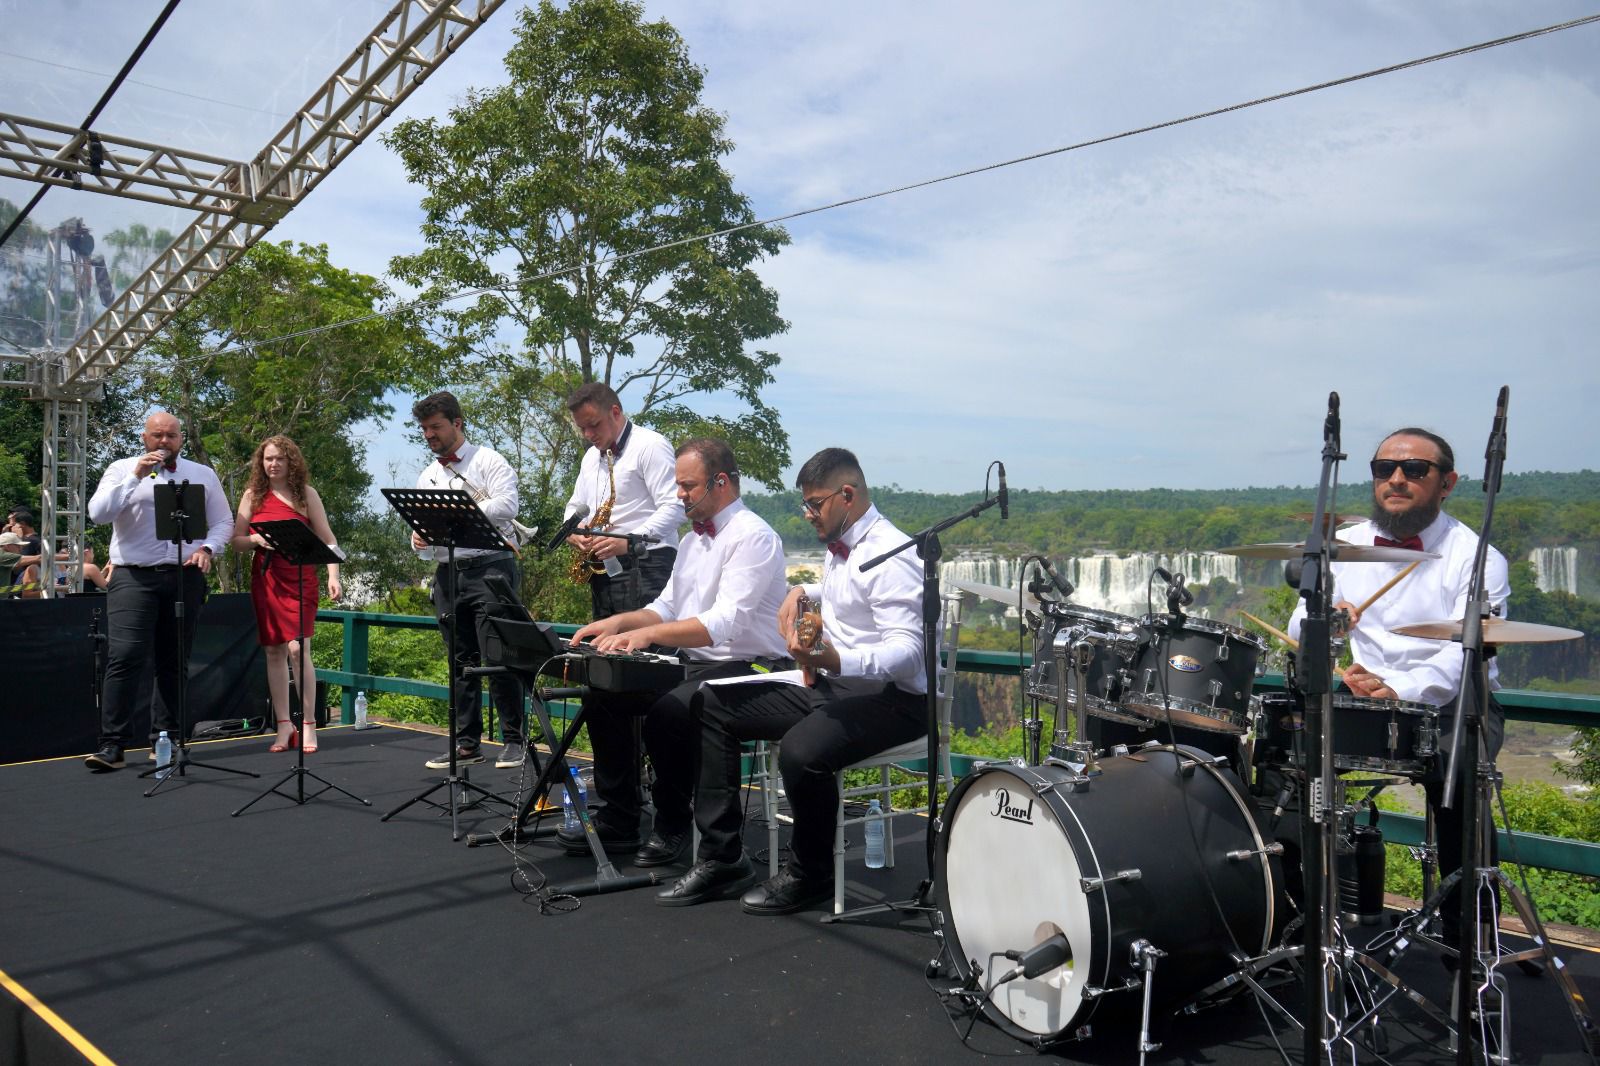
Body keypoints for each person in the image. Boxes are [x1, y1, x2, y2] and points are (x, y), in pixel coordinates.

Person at [657, 447, 926, 914]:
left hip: (894, 700)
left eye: (814, 503)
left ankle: (811, 873)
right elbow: (848, 596)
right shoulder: (843, 546)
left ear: (847, 495)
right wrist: (805, 589)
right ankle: (723, 858)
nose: (806, 514)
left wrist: (833, 658)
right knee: (712, 703)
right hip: (834, 686)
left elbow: (908, 653)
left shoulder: (891, 553)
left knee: (803, 749)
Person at [1288, 426, 1510, 954]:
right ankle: (1295, 918)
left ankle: (1471, 943)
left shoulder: (1477, 558)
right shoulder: (1343, 549)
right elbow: (1299, 627)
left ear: (1447, 482)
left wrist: (1395, 686)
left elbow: (1462, 660)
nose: (1396, 478)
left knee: (1462, 794)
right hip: (1356, 697)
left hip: (1452, 707)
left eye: (1414, 470)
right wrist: (1329, 624)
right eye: (1384, 468)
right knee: (1286, 770)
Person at [566, 438, 791, 865]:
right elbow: (665, 607)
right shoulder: (690, 543)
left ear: (720, 482)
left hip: (748, 667)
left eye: (687, 486)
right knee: (605, 693)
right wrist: (618, 623)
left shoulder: (754, 537)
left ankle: (673, 823)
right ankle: (620, 818)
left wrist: (650, 637)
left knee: (670, 710)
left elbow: (725, 624)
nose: (679, 495)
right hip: (696, 664)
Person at [560, 383, 683, 839]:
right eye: (582, 428)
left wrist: (630, 539)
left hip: (648, 564)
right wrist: (575, 530)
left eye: (594, 424)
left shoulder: (650, 446)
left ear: (617, 412)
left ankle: (658, 797)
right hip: (606, 568)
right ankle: (621, 806)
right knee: (609, 676)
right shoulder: (592, 457)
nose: (589, 434)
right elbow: (576, 506)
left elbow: (674, 506)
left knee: (646, 678)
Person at [83, 411, 234, 771]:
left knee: (174, 660)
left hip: (184, 574)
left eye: (171, 436)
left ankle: (164, 738)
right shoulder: (121, 469)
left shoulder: (201, 474)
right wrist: (136, 476)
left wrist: (207, 549)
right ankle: (113, 745)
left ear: (181, 439)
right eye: (157, 436)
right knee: (125, 655)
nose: (164, 442)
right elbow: (98, 514)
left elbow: (223, 522)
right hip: (134, 576)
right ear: (144, 438)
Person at [409, 391, 529, 769]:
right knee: (459, 662)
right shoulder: (428, 474)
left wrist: (457, 514)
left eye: (436, 427)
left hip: (491, 568)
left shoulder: (489, 460)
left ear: (457, 424)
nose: (429, 435)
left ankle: (514, 739)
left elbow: (509, 505)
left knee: (499, 655)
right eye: (425, 429)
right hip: (448, 574)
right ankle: (466, 743)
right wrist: (420, 540)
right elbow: (426, 547)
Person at [231, 435, 343, 754]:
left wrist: (334, 576)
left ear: (290, 461)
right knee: (274, 651)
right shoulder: (253, 495)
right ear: (261, 463)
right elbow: (236, 542)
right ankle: (283, 726)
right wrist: (255, 540)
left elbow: (328, 539)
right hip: (266, 577)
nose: (273, 464)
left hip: (300, 577)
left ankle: (308, 723)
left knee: (298, 648)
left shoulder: (306, 495)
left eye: (279, 458)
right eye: (268, 458)